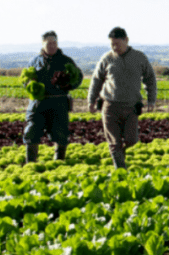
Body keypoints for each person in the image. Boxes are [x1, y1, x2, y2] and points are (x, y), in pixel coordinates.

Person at [87, 26, 157, 169]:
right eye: (112, 44)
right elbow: (96, 80)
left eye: (117, 44)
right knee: (114, 141)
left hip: (131, 107)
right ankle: (120, 169)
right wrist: (91, 100)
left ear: (126, 40)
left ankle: (121, 155)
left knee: (132, 140)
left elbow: (150, 78)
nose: (114, 47)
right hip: (110, 106)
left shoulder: (139, 57)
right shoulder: (106, 58)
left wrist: (151, 100)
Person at [23, 31, 83, 164]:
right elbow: (25, 79)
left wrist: (69, 84)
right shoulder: (35, 61)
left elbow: (78, 77)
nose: (52, 45)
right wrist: (29, 83)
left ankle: (59, 161)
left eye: (54, 42)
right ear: (43, 44)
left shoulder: (66, 61)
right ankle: (30, 162)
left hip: (59, 102)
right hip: (38, 103)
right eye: (48, 43)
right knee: (32, 130)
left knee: (61, 133)